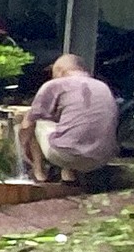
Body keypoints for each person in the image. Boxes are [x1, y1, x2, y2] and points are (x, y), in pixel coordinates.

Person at [21, 53, 119, 183]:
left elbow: (27, 124)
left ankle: (38, 173)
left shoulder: (55, 85)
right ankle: (68, 176)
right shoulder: (103, 86)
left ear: (60, 71)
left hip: (67, 154)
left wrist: (23, 148)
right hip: (102, 157)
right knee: (74, 125)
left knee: (33, 118)